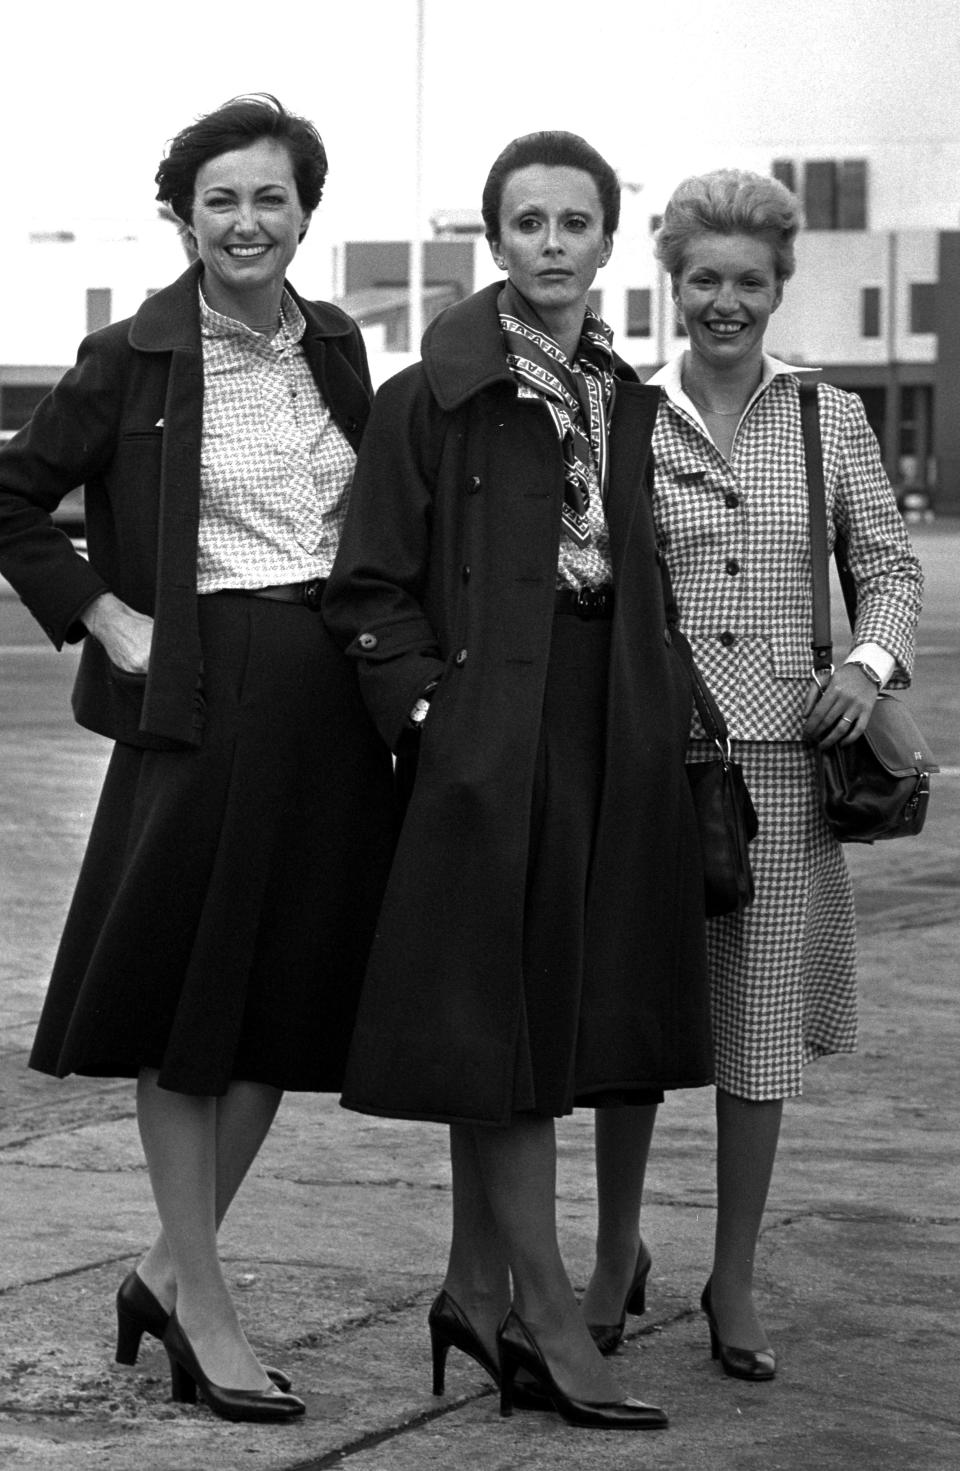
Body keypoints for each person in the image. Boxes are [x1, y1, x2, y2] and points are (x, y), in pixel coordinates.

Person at [0, 95, 396, 1423]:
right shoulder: (132, 356)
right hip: (201, 704)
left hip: (332, 709)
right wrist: (103, 611)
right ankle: (208, 1305)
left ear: (304, 213)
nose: (247, 221)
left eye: (271, 198)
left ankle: (171, 1270)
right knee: (184, 1008)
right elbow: (11, 492)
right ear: (182, 215)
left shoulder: (339, 346)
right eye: (221, 198)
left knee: (282, 1001)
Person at [323, 131, 712, 1431]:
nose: (551, 242)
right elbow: (368, 580)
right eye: (528, 222)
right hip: (496, 728)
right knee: (502, 1017)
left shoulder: (629, 394)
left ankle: (467, 1289)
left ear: (608, 239)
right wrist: (432, 705)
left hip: (616, 722)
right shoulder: (430, 392)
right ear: (497, 239)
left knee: (564, 1010)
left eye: (575, 222)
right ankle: (543, 1307)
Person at [581, 168, 923, 1381]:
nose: (726, 302)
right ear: (673, 283)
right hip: (649, 768)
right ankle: (615, 1253)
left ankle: (734, 1275)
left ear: (782, 287)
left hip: (785, 775)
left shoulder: (828, 419)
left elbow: (889, 566)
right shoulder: (622, 412)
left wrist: (870, 664)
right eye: (705, 279)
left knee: (756, 1040)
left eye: (751, 282)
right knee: (631, 1026)